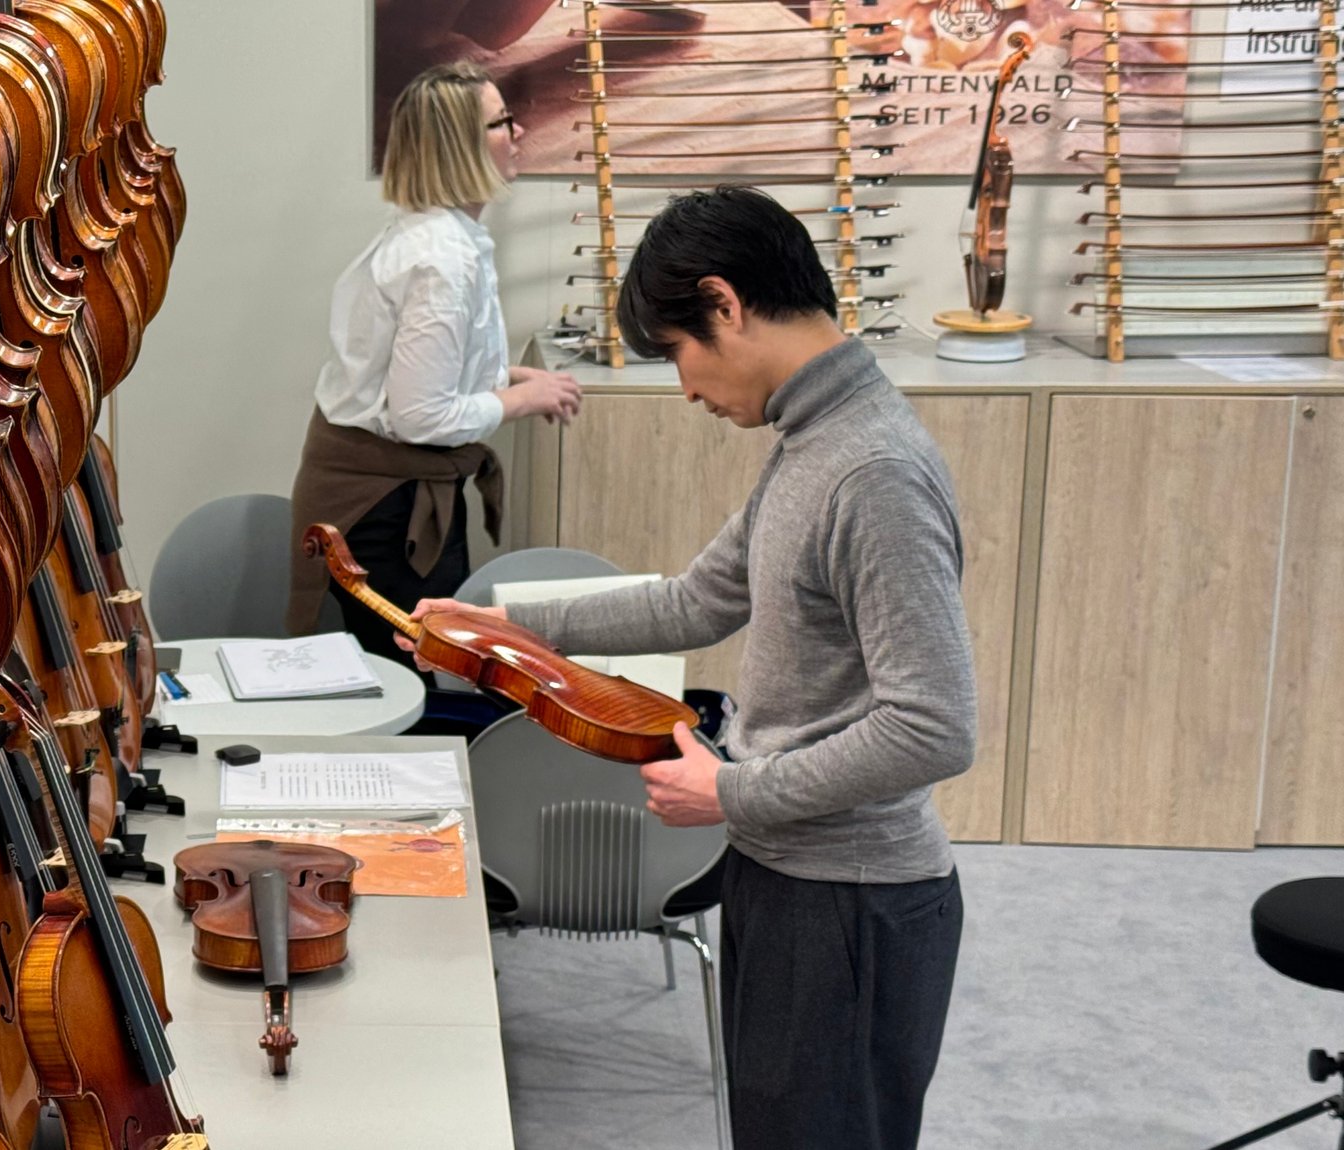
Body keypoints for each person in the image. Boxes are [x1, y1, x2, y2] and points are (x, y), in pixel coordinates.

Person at [407, 186, 976, 1150]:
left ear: (725, 303)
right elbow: (695, 599)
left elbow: (936, 726)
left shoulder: (871, 470)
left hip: (852, 901)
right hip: (787, 869)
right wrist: (504, 627)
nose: (687, 389)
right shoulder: (812, 439)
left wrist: (735, 789)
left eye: (679, 353)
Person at [285, 61, 583, 664]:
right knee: (411, 673)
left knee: (419, 667)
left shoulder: (439, 238)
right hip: (382, 507)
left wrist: (506, 378)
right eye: (501, 122)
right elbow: (421, 414)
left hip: (392, 493)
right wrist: (519, 400)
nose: (518, 132)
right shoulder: (441, 260)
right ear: (459, 148)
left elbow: (425, 370)